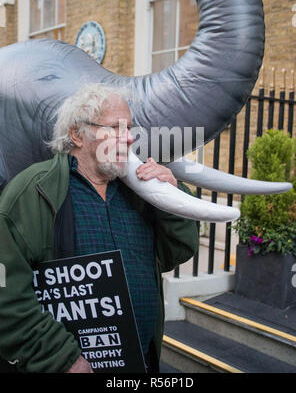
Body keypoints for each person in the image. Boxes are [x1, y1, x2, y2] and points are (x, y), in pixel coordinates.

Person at [0, 84, 199, 373]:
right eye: (116, 128)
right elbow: (6, 293)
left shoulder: (139, 192)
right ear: (77, 135)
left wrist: (171, 198)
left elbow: (176, 254)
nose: (130, 138)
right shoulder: (32, 192)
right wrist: (61, 359)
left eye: (130, 128)